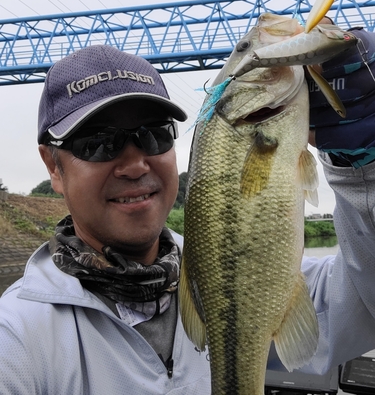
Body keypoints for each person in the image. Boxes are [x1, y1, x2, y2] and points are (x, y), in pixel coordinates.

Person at [0, 34, 375, 393]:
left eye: (154, 133)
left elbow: (363, 298)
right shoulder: (16, 338)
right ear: (53, 166)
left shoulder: (237, 274)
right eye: (98, 142)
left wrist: (362, 166)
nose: (134, 164)